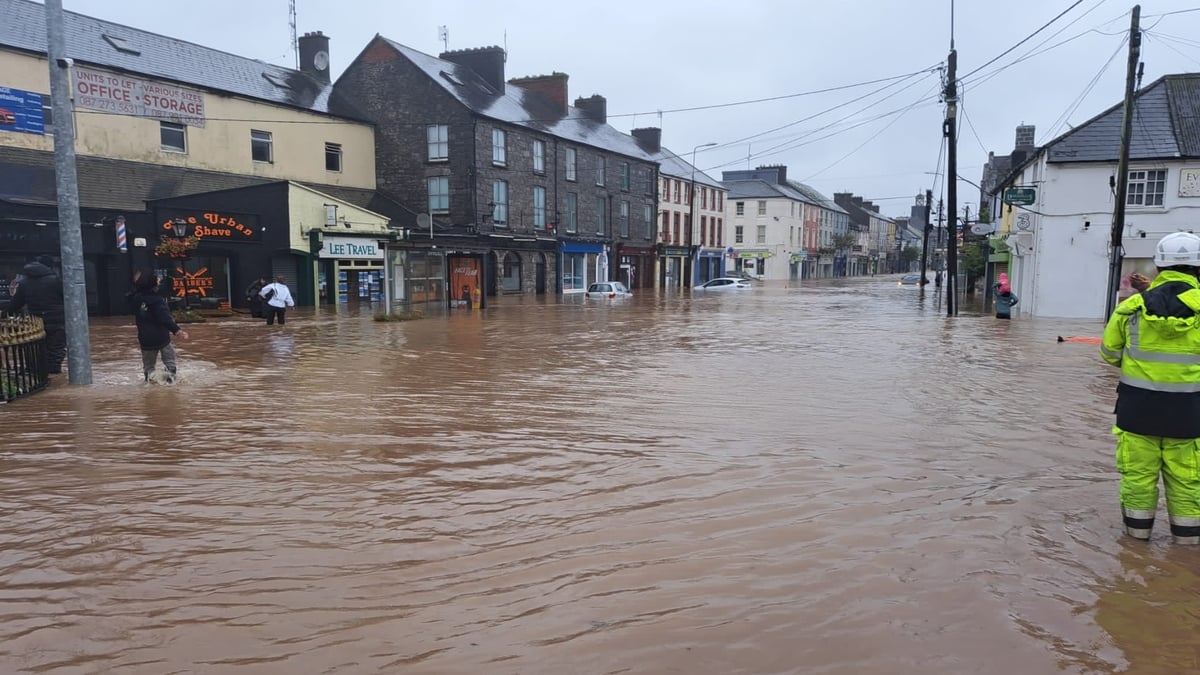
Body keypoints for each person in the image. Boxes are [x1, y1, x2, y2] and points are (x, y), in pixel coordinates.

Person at [1100, 231, 1200, 544]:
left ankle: (1135, 545)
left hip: (1137, 411)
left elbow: (1109, 353)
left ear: (1158, 267)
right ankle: (1185, 547)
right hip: (1191, 414)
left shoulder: (1130, 309)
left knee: (1138, 478)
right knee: (1187, 480)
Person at [1, 255, 66, 374]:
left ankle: (40, 372)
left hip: (36, 321)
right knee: (56, 348)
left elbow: (16, 303)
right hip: (57, 320)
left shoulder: (24, 282)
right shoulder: (55, 280)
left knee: (38, 348)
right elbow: (68, 299)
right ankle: (54, 373)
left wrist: (4, 314)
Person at [130, 270, 189, 383]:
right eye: (157, 278)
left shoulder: (136, 298)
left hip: (145, 339)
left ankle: (150, 382)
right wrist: (178, 331)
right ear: (152, 282)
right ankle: (170, 384)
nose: (159, 279)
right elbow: (165, 318)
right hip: (162, 338)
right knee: (170, 363)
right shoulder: (157, 300)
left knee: (148, 366)